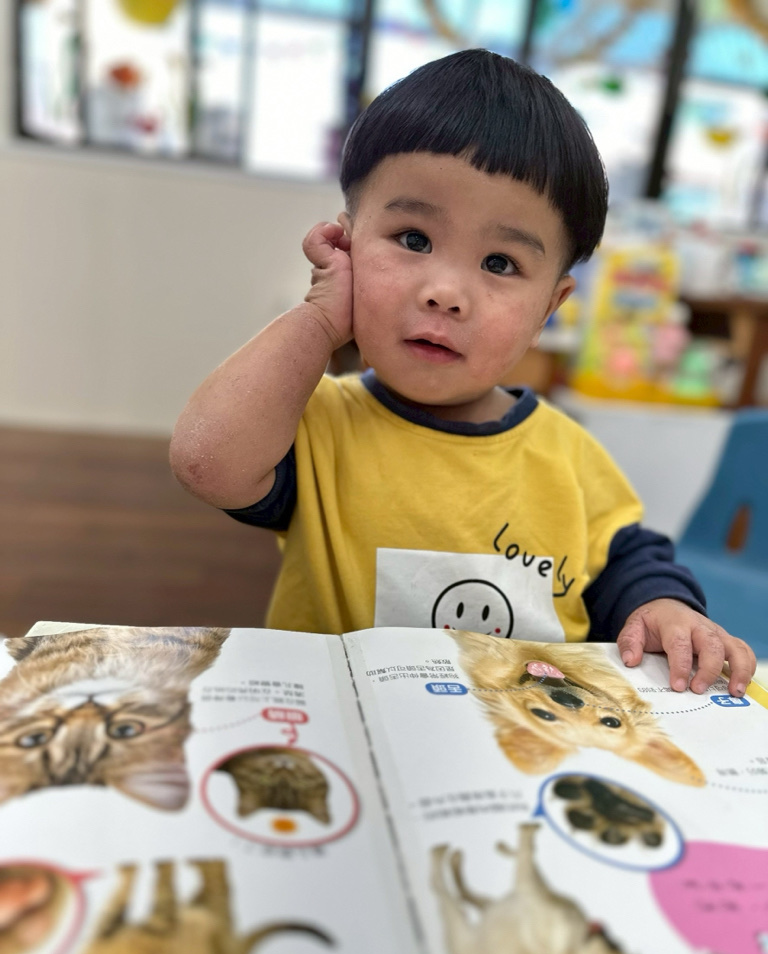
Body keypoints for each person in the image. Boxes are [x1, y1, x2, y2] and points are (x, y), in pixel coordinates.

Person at [170, 49, 755, 698]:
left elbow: (630, 562)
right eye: (413, 239)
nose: (445, 293)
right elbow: (205, 460)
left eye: (500, 263)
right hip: (343, 728)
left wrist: (664, 607)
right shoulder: (319, 426)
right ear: (347, 245)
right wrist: (318, 318)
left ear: (549, 308)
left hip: (519, 737)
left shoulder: (569, 456)